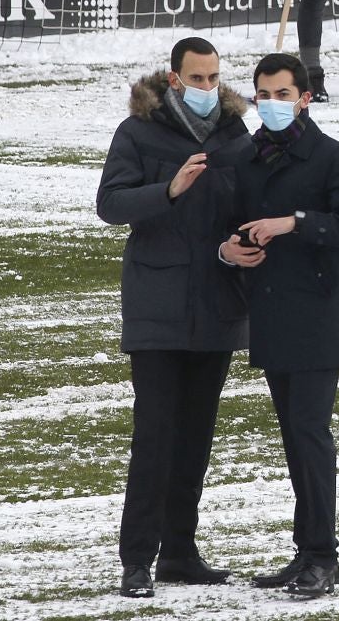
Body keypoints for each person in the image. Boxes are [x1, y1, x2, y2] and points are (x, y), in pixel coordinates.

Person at [95, 37, 252, 599]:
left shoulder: (237, 135)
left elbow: (249, 207)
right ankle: (137, 558)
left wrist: (245, 242)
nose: (208, 88)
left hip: (217, 305)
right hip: (156, 307)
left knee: (195, 438)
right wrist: (169, 188)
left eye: (214, 78)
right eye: (198, 78)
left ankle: (180, 554)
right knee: (156, 436)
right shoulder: (137, 132)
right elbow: (110, 204)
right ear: (174, 77)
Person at [219, 53, 339, 599]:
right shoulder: (249, 158)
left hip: (316, 314)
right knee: (294, 438)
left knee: (310, 436)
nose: (272, 103)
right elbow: (232, 222)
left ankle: (323, 557)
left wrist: (294, 223)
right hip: (270, 313)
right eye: (263, 94)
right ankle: (306, 551)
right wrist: (233, 247)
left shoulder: (333, 157)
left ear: (305, 98)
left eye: (283, 94)